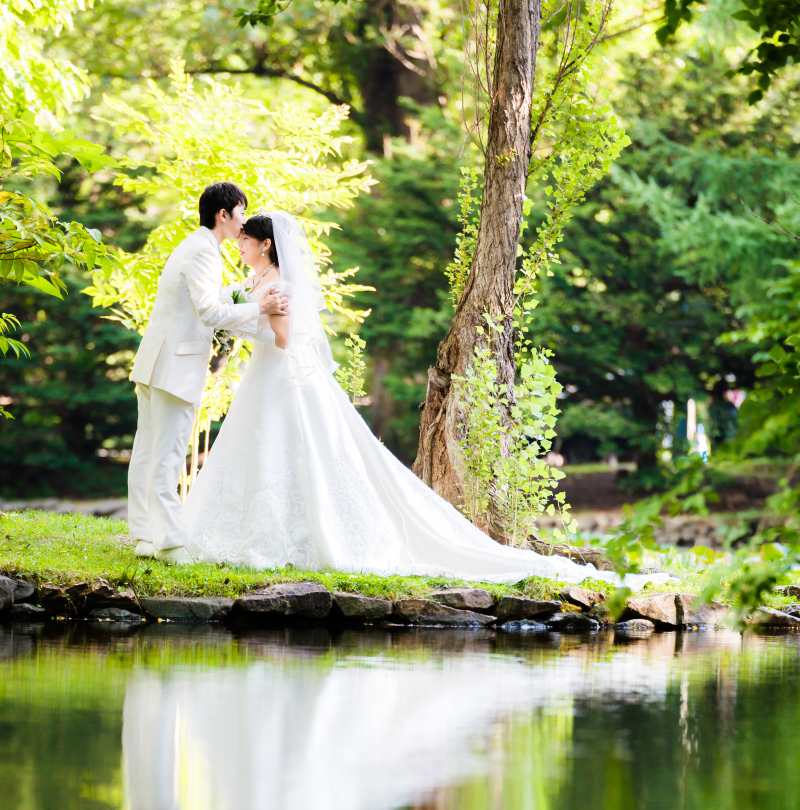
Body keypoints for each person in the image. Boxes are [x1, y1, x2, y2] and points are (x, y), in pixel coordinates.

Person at [183, 211, 671, 590]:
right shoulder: (255, 284)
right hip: (266, 382)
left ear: (264, 244)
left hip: (284, 380)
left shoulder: (279, 285)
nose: (239, 243)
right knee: (265, 455)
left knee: (298, 456)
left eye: (245, 238)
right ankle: (256, 535)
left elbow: (284, 339)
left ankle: (296, 539)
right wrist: (245, 309)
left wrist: (244, 318)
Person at [127, 182, 289, 564]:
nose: (243, 223)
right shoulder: (205, 251)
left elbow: (208, 299)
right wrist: (259, 307)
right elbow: (208, 312)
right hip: (174, 367)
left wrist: (243, 295)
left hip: (157, 363)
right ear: (224, 214)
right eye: (241, 214)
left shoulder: (196, 245)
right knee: (165, 455)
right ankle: (168, 542)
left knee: (147, 454)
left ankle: (144, 536)